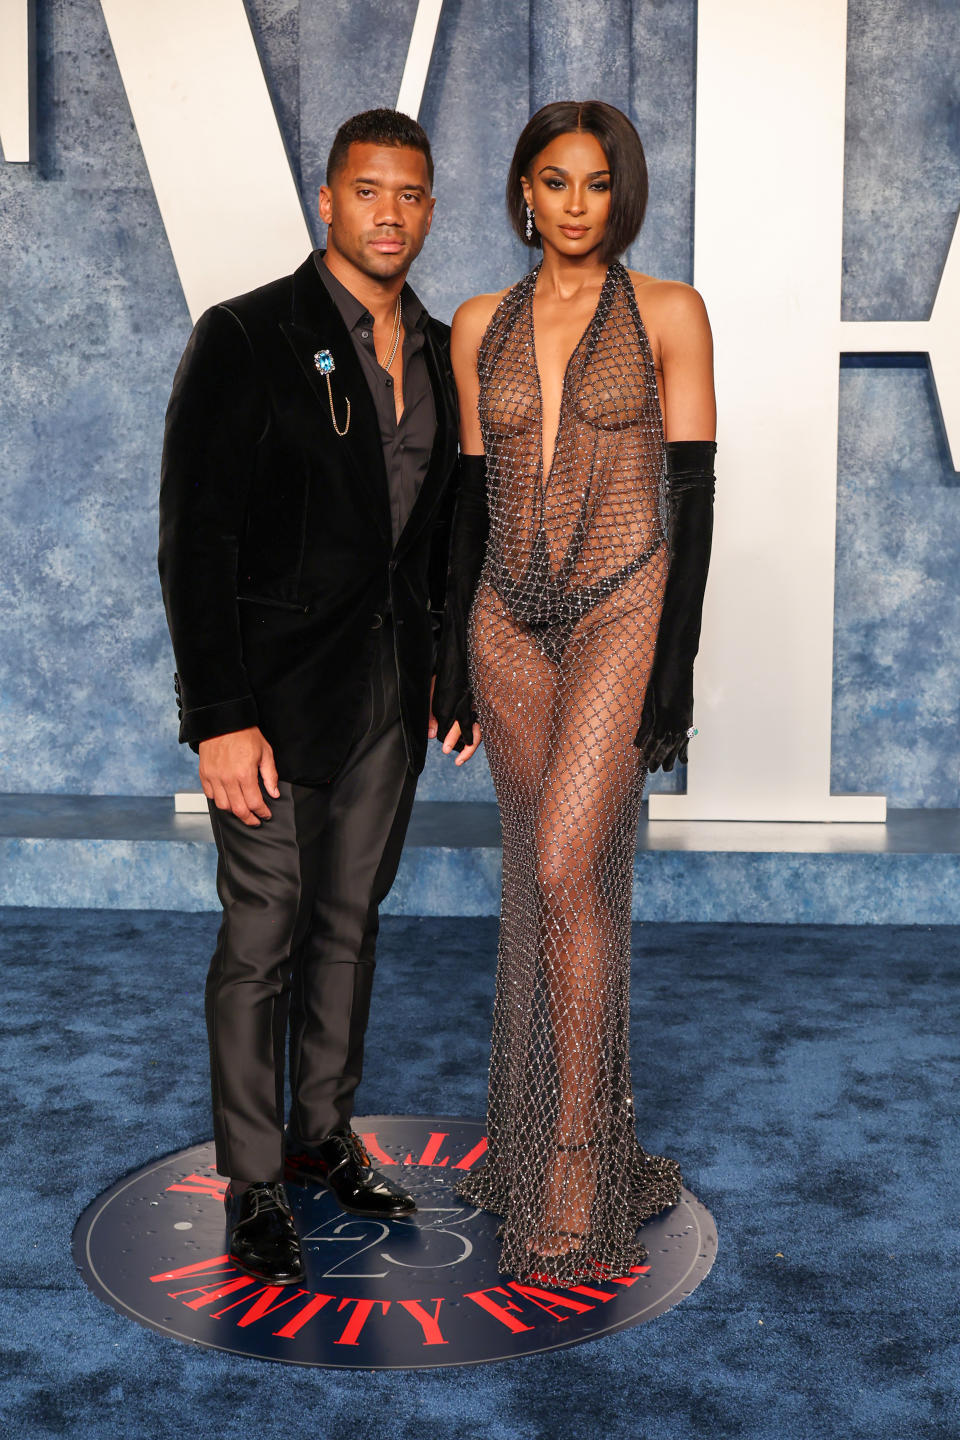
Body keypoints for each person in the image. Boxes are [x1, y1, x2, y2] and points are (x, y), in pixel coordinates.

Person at [158, 109, 458, 1285]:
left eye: (413, 193)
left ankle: (325, 1133)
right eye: (369, 191)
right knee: (263, 933)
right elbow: (195, 539)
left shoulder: (436, 349)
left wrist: (447, 669)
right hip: (269, 705)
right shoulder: (247, 337)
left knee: (349, 921)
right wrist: (215, 715)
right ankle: (252, 1176)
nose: (392, 214)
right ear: (327, 203)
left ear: (432, 209)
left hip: (387, 694)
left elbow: (431, 540)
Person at [433, 100, 716, 1283]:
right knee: (544, 888)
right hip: (504, 616)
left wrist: (674, 670)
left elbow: (694, 495)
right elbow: (461, 501)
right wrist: (447, 654)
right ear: (523, 194)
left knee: (567, 864)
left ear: (621, 195)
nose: (576, 205)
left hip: (619, 603)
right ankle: (540, 1145)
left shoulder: (669, 313)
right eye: (555, 182)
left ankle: (577, 1178)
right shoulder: (476, 323)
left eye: (598, 184)